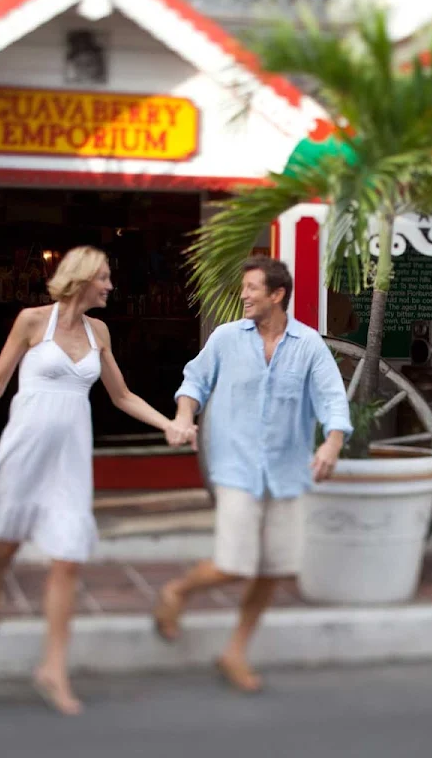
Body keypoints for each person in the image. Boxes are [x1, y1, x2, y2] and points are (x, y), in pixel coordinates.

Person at [0, 245, 196, 716]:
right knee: (8, 539)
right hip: (25, 445)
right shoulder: (31, 322)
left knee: (68, 558)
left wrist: (168, 424)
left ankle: (53, 668)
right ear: (81, 278)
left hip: (70, 457)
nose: (110, 285)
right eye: (103, 277)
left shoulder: (98, 331)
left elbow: (121, 396)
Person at [152, 255, 352, 693]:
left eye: (252, 288)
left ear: (277, 295)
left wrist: (332, 442)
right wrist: (185, 416)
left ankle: (235, 651)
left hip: (286, 471)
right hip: (236, 467)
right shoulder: (226, 338)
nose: (244, 295)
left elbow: (333, 400)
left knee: (274, 568)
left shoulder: (309, 345)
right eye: (244, 287)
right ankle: (178, 592)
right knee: (234, 564)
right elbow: (193, 383)